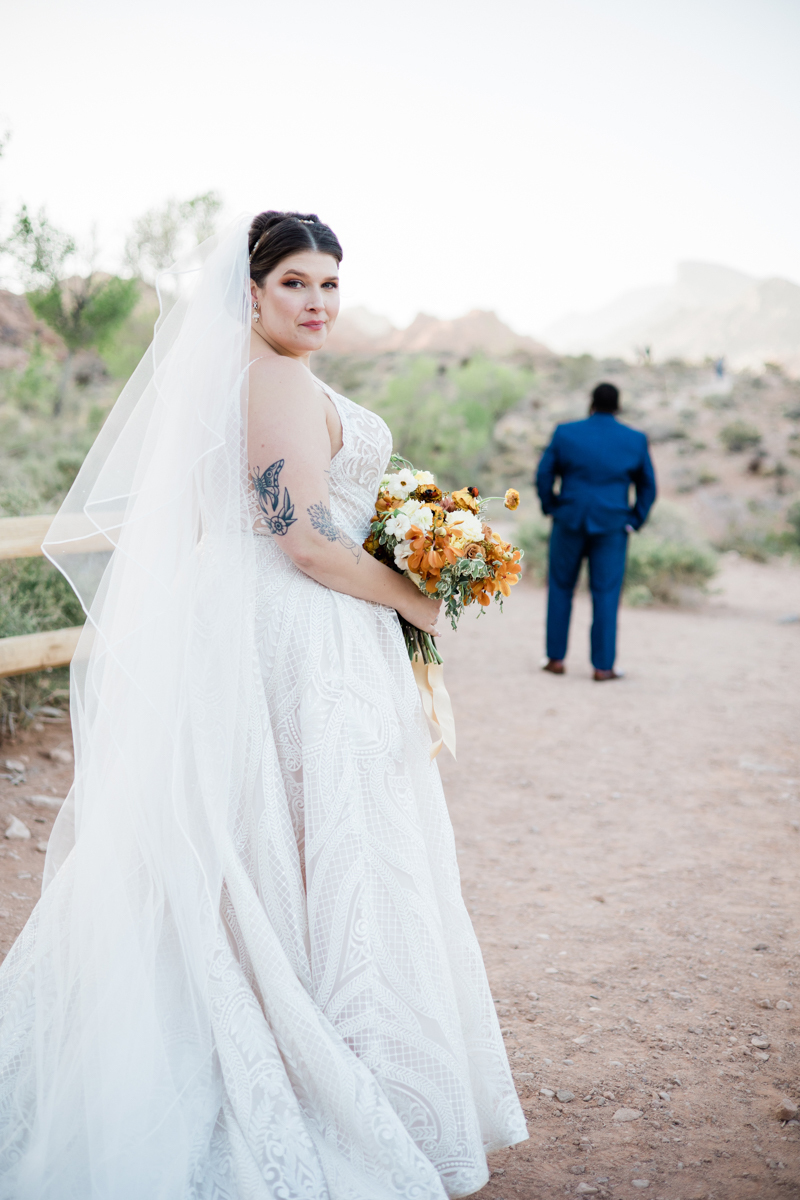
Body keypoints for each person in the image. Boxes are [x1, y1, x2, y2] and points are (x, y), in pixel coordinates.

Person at [0, 213, 527, 1198]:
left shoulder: (254, 378)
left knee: (275, 840)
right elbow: (302, 542)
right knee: (321, 841)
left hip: (273, 624)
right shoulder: (273, 378)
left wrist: (413, 541)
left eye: (329, 284)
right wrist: (419, 597)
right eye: (294, 283)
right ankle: (317, 1066)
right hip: (298, 628)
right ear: (249, 293)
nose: (316, 302)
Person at [535, 381, 656, 681]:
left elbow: (543, 474)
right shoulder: (635, 439)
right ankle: (603, 667)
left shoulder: (566, 432)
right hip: (613, 526)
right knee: (606, 593)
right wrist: (634, 519)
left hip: (569, 520)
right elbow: (648, 486)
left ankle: (555, 660)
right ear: (618, 406)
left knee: (561, 588)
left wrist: (552, 507)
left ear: (591, 402)